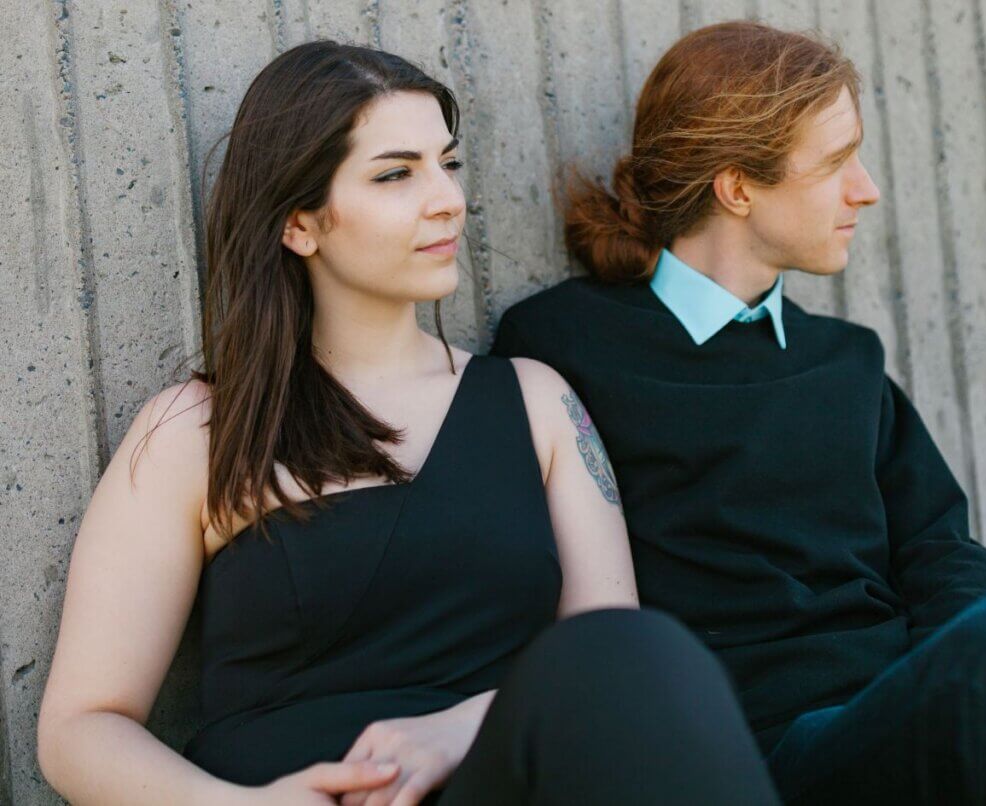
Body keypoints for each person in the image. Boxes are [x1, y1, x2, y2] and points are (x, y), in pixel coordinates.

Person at [36, 41, 780, 805]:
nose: (448, 199)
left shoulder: (538, 403)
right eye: (396, 174)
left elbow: (619, 665)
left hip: (499, 784)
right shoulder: (193, 432)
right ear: (299, 223)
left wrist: (461, 729)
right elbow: (80, 727)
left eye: (447, 164)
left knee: (655, 651)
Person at [491, 20, 986, 805]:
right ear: (738, 188)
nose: (867, 189)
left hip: (898, 717)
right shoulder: (564, 345)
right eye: (837, 163)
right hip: (744, 753)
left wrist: (955, 694)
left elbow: (942, 552)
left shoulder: (848, 360)